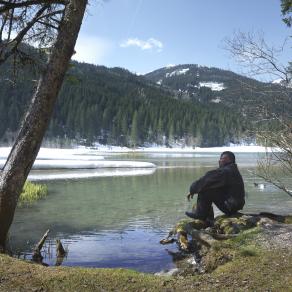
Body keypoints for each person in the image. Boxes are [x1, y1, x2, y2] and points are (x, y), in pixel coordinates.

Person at [185, 151, 245, 221]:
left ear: (229, 160)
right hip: (234, 205)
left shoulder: (226, 171)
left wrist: (192, 189)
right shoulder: (232, 170)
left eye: (222, 159)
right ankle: (207, 217)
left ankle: (200, 214)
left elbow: (207, 179)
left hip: (230, 206)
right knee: (209, 186)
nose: (220, 161)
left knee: (205, 189)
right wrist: (194, 190)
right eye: (220, 159)